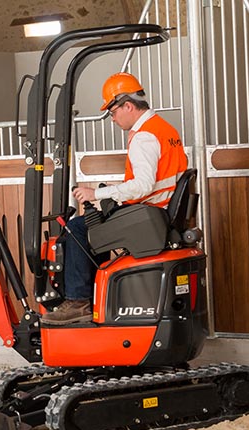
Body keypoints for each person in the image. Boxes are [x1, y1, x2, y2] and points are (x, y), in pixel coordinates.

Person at [40, 72, 188, 325]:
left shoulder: (144, 136)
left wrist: (96, 194)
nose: (113, 118)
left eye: (113, 111)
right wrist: (113, 191)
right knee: (95, 226)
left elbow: (142, 186)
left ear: (128, 106)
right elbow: (153, 180)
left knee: (76, 229)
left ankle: (78, 301)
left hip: (149, 213)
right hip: (158, 210)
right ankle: (94, 296)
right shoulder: (164, 129)